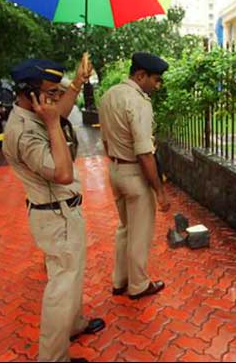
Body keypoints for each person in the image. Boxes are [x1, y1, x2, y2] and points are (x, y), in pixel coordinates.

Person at [2, 56, 105, 362]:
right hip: (55, 216)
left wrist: (77, 82)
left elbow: (60, 111)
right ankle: (53, 358)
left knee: (72, 276)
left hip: (63, 212)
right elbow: (62, 173)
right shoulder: (26, 130)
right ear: (29, 93)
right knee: (60, 288)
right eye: (51, 91)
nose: (56, 98)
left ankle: (73, 325)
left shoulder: (36, 112)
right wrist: (51, 123)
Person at [98, 52, 171, 301]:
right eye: (156, 79)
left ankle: (120, 280)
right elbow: (145, 154)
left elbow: (106, 143)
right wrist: (159, 191)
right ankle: (138, 285)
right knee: (140, 232)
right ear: (141, 75)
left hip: (115, 170)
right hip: (134, 173)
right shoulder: (138, 102)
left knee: (125, 228)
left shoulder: (109, 95)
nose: (157, 85)